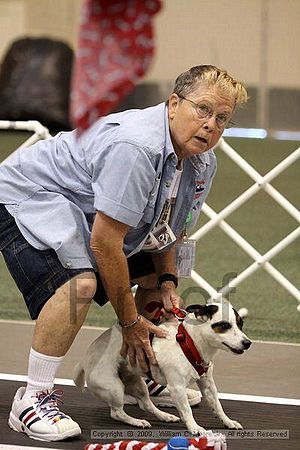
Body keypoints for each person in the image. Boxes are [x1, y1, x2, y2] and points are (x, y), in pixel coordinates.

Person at [0, 65, 248, 441]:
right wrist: (130, 323)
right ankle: (33, 399)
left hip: (88, 212)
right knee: (80, 285)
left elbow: (170, 229)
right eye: (203, 109)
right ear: (173, 104)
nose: (211, 124)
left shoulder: (202, 162)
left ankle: (140, 375)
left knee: (153, 279)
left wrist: (166, 281)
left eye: (222, 118)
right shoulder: (136, 148)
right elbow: (105, 243)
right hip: (27, 197)